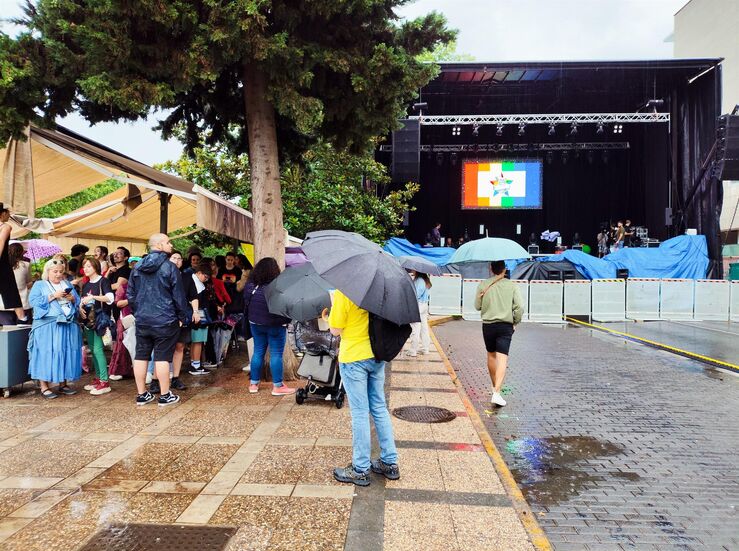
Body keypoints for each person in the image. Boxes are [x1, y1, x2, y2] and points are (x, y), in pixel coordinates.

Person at [329, 290, 399, 486]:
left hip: (353, 358)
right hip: (376, 356)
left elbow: (335, 329)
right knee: (379, 408)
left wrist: (333, 305)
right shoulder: (380, 290)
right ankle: (390, 462)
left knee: (360, 412)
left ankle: (360, 469)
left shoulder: (344, 291)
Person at [127, 233, 190, 406]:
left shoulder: (137, 266)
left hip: (142, 319)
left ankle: (142, 394)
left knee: (141, 355)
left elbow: (130, 294)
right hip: (165, 320)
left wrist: (138, 311)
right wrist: (182, 317)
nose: (171, 245)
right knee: (163, 357)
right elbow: (179, 296)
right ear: (160, 245)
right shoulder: (170, 268)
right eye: (168, 242)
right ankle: (165, 395)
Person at [27, 259, 82, 398]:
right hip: (47, 326)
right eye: (55, 271)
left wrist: (72, 299)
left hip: (67, 324)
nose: (58, 274)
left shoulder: (67, 284)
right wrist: (53, 296)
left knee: (65, 352)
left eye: (61, 272)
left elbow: (77, 300)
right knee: (46, 352)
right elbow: (33, 302)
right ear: (48, 271)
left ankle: (63, 384)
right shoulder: (40, 284)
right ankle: (44, 386)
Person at [243, 257, 296, 395]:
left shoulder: (251, 285)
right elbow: (286, 307)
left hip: (255, 323)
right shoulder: (279, 287)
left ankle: (253, 384)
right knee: (276, 354)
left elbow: (246, 302)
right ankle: (277, 386)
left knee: (258, 352)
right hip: (275, 326)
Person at [474, 261, 523, 407]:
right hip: (505, 326)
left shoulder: (483, 285)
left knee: (491, 355)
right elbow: (519, 307)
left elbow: (477, 306)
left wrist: (480, 297)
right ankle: (496, 392)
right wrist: (515, 322)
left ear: (491, 269)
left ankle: (495, 387)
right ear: (504, 269)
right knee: (502, 359)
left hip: (488, 325)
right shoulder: (511, 285)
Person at [78, 258, 115, 395]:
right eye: (84, 266)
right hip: (88, 320)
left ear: (95, 267)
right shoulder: (86, 284)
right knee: (93, 349)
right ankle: (98, 378)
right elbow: (83, 300)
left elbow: (110, 298)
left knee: (98, 349)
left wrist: (93, 297)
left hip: (100, 320)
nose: (86, 269)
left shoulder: (103, 281)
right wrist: (81, 307)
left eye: (88, 266)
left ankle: (105, 382)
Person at [184, 260, 214, 376]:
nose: (206, 280)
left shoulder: (191, 280)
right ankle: (196, 364)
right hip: (198, 315)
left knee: (196, 341)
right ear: (200, 273)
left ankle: (194, 363)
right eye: (206, 277)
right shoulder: (194, 282)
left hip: (197, 314)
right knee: (198, 340)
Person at [0, 205, 27, 323]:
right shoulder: (5, 226)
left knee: (10, 292)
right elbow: (1, 241)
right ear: (3, 213)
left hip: (3, 264)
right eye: (8, 213)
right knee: (11, 292)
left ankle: (22, 319)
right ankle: (22, 319)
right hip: (2, 265)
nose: (9, 215)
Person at [107, 278, 133, 381]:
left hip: (142, 318)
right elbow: (117, 303)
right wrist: (131, 299)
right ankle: (119, 370)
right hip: (126, 320)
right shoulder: (123, 287)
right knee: (122, 345)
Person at [406, 270, 431, 357]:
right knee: (424, 328)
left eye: (413, 269)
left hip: (418, 306)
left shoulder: (419, 280)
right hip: (424, 306)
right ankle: (425, 348)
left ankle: (413, 350)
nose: (412, 270)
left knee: (415, 328)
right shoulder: (425, 280)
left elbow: (416, 295)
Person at [9, 243, 32, 319]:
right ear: (21, 252)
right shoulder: (26, 265)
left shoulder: (3, 265)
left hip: (3, 304)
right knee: (23, 329)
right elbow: (29, 283)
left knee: (6, 330)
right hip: (22, 302)